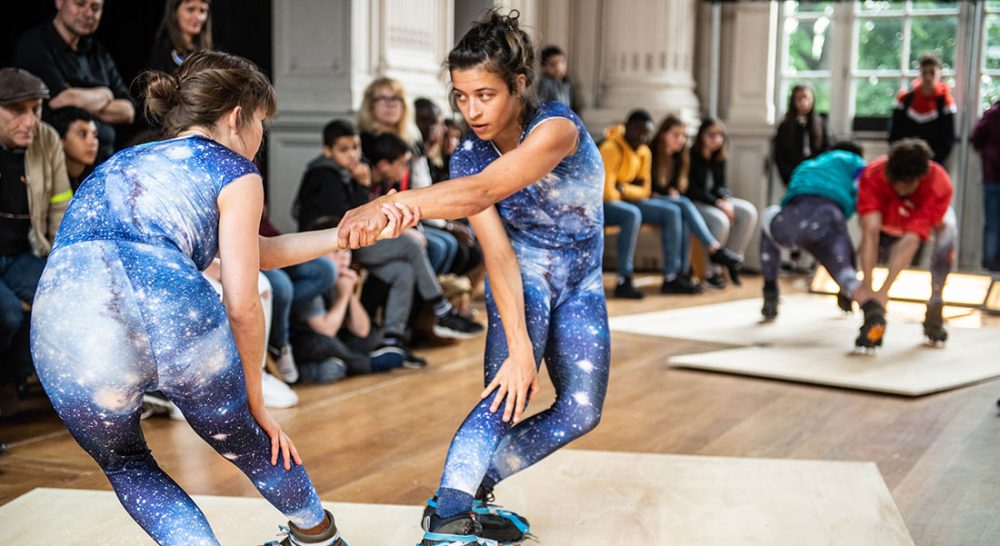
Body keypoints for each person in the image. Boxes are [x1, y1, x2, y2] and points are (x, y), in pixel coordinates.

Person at [29, 50, 417, 546]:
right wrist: (255, 399)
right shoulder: (233, 168)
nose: (261, 141)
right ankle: (318, 537)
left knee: (127, 464)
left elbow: (258, 251)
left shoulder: (125, 159)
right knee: (254, 445)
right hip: (165, 305)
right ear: (237, 118)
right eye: (262, 125)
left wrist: (343, 236)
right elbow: (242, 300)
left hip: (64, 323)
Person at [338, 10, 609, 545]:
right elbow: (498, 253)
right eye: (461, 96)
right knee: (507, 393)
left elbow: (482, 193)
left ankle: (465, 492)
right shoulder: (467, 155)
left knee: (581, 410)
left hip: (582, 281)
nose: (472, 109)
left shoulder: (556, 128)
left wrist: (394, 204)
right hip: (523, 276)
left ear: (519, 85)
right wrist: (518, 346)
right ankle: (448, 522)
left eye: (485, 94)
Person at [292, 121, 483, 365]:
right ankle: (442, 310)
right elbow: (350, 219)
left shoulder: (345, 172)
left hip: (350, 246)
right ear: (328, 151)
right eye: (344, 149)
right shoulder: (324, 174)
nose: (353, 155)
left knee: (402, 271)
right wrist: (361, 186)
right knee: (411, 245)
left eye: (355, 148)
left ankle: (393, 340)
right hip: (333, 248)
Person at [0, 68, 72, 394]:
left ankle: (22, 379)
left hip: (24, 254)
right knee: (8, 314)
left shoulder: (47, 140)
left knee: (70, 295)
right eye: (17, 111)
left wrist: (64, 266)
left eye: (36, 109)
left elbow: (60, 210)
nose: (30, 121)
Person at [852, 138, 955, 349]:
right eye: (896, 183)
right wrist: (869, 286)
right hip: (889, 219)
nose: (901, 189)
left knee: (948, 231)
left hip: (915, 221)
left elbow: (912, 238)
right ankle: (852, 288)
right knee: (868, 229)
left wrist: (884, 291)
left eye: (907, 185)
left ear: (921, 177)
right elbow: (870, 231)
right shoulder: (873, 174)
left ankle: (936, 302)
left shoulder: (938, 183)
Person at [13, 0, 135, 162]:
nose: (88, 13)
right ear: (59, 2)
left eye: (95, 8)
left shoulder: (99, 52)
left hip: (105, 160)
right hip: (55, 161)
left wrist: (78, 99)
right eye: (79, 4)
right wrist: (105, 94)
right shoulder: (34, 45)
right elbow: (61, 100)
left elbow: (128, 111)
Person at [758, 142, 867, 320]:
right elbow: (864, 199)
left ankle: (770, 289)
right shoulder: (857, 163)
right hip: (829, 219)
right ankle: (859, 300)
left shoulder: (809, 164)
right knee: (844, 267)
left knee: (768, 217)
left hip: (793, 218)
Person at [291, 217, 407, 380]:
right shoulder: (313, 281)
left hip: (331, 341)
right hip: (304, 342)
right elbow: (326, 331)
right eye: (336, 251)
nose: (344, 257)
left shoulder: (341, 279)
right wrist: (344, 295)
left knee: (370, 337)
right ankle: (367, 365)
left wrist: (350, 294)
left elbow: (362, 330)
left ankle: (338, 366)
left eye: (347, 251)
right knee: (324, 343)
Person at [601, 109, 702, 298]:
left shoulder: (645, 152)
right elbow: (606, 193)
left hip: (629, 201)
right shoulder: (610, 149)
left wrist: (623, 188)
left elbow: (645, 191)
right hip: (602, 205)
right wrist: (631, 189)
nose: (643, 137)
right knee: (632, 214)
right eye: (639, 131)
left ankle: (672, 277)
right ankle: (624, 279)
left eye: (647, 132)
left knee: (671, 211)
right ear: (628, 128)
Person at [650, 114, 743, 289]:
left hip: (675, 202)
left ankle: (682, 274)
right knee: (685, 205)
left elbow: (716, 186)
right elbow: (653, 185)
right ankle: (715, 251)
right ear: (663, 134)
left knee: (683, 216)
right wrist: (667, 192)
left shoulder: (680, 157)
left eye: (683, 136)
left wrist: (725, 199)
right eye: (675, 135)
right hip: (658, 200)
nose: (681, 140)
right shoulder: (653, 153)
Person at [687, 117, 758, 288]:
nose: (716, 139)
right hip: (697, 202)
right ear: (701, 136)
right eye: (712, 135)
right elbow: (692, 189)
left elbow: (721, 185)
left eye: (720, 135)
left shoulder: (719, 157)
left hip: (716, 201)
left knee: (748, 212)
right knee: (720, 220)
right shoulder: (692, 156)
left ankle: (731, 260)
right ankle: (711, 270)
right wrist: (718, 203)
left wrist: (725, 199)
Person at [888, 52, 956, 167]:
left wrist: (934, 159)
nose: (928, 77)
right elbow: (894, 132)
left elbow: (948, 137)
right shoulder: (905, 99)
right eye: (924, 72)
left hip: (933, 162)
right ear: (920, 73)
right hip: (905, 161)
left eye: (932, 72)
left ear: (939, 72)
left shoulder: (945, 102)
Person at [772, 84, 829, 187]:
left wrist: (818, 171)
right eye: (799, 98)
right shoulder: (785, 126)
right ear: (793, 101)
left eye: (806, 97)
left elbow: (827, 149)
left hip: (816, 175)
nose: (803, 102)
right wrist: (789, 176)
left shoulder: (821, 124)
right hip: (793, 176)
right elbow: (779, 154)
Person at [147, 0, 213, 73]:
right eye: (190, 9)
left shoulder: (207, 50)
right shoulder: (162, 50)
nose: (198, 17)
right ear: (175, 11)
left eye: (202, 11)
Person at [973, 98, 1000, 272]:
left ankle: (990, 264)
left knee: (992, 223)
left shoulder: (991, 113)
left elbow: (977, 139)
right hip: (992, 177)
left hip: (992, 176)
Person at [48, 107, 99, 192]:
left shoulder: (98, 178)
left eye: (94, 135)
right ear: (60, 140)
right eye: (83, 134)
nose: (93, 142)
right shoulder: (47, 180)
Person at [537, 45, 579, 113]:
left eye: (562, 62)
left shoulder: (568, 82)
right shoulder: (545, 83)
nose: (559, 67)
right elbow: (541, 105)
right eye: (553, 64)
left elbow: (574, 106)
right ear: (543, 67)